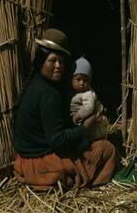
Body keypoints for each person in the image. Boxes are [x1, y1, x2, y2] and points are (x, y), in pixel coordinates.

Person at [12, 28, 118, 190]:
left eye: (61, 62)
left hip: (26, 159)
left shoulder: (37, 83)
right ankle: (89, 181)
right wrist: (85, 128)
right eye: (52, 60)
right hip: (41, 163)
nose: (58, 66)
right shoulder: (47, 94)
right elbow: (58, 141)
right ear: (41, 61)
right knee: (107, 149)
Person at [70, 56, 109, 141]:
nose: (82, 83)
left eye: (85, 80)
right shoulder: (73, 93)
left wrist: (77, 116)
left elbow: (89, 108)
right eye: (78, 79)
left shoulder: (88, 94)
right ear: (71, 79)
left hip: (94, 126)